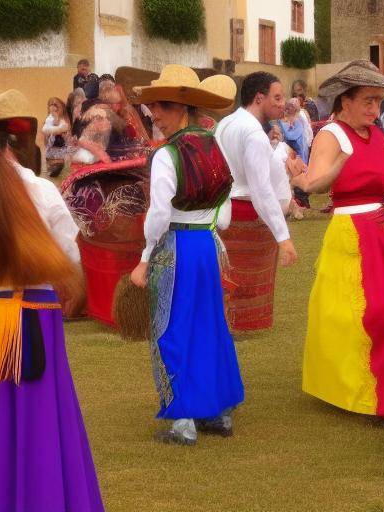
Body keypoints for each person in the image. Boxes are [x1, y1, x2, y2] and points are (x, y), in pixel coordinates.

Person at [291, 61, 384, 418]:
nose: (374, 109)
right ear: (344, 100)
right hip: (350, 230)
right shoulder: (331, 135)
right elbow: (316, 183)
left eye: (378, 101)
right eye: (368, 100)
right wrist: (337, 163)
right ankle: (355, 390)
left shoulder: (378, 133)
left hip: (382, 229)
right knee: (358, 313)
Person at [0, 89, 104, 511]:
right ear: (15, 140)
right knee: (41, 425)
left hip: (22, 317)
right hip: (35, 318)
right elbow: (70, 256)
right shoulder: (40, 190)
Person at [129, 65, 244, 445]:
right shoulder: (214, 145)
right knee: (209, 325)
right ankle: (216, 412)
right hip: (207, 247)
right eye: (153, 107)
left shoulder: (167, 154)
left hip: (176, 247)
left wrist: (146, 256)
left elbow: (159, 213)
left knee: (173, 327)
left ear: (181, 107)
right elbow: (226, 200)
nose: (154, 114)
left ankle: (183, 422)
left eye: (160, 106)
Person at [215, 72, 298, 331]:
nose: (282, 103)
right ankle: (227, 326)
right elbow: (261, 189)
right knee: (239, 280)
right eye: (277, 97)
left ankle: (222, 324)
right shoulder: (253, 133)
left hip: (224, 207)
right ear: (259, 97)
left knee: (226, 276)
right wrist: (282, 237)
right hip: (244, 209)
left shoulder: (226, 123)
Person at [42, 97, 70, 177]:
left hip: (60, 154)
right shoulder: (48, 119)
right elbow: (45, 130)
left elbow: (63, 128)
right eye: (51, 105)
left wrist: (56, 129)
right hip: (50, 154)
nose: (53, 107)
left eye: (55, 105)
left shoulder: (64, 120)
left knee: (58, 172)